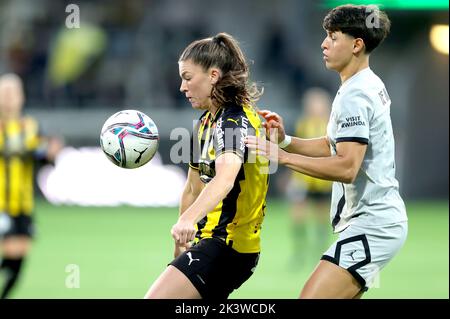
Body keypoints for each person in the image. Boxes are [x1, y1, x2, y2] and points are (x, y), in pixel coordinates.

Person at [246, 5, 408, 298]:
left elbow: (347, 167)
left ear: (357, 44)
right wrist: (284, 141)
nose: (324, 44)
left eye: (333, 37)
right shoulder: (364, 84)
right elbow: (333, 144)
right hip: (376, 223)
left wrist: (281, 158)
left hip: (373, 225)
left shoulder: (356, 95)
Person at [144, 32, 269, 299]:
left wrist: (189, 219)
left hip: (228, 246)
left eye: (188, 78)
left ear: (213, 75)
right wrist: (182, 239)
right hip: (210, 243)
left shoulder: (233, 122)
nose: (182, 87)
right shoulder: (205, 123)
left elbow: (225, 179)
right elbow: (192, 186)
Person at [0, 73, 62, 299]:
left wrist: (52, 152)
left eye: (12, 93)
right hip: (0, 205)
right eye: (4, 93)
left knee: (17, 262)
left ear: (21, 97)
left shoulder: (31, 127)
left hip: (23, 205)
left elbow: (45, 157)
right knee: (9, 250)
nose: (8, 99)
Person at [285, 88, 332, 269]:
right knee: (298, 216)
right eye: (313, 104)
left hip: (323, 179)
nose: (316, 108)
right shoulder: (302, 124)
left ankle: (321, 254)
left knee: (321, 218)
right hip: (302, 178)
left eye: (319, 104)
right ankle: (299, 253)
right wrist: (289, 175)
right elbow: (293, 150)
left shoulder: (330, 125)